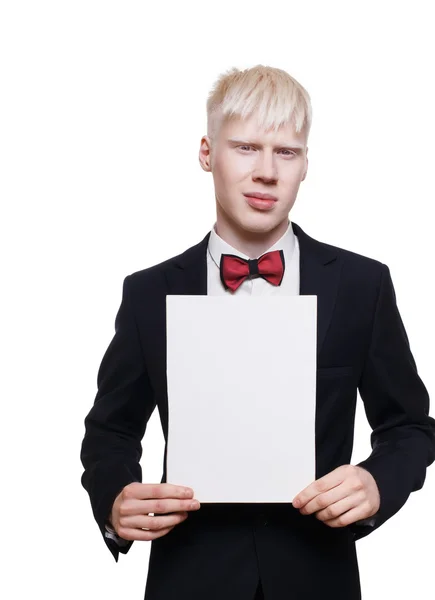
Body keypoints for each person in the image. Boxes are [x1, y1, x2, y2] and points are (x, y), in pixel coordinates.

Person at [80, 65, 435, 600]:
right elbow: (111, 430)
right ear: (207, 153)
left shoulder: (364, 285)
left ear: (306, 164)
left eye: (286, 152)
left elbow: (410, 426)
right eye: (245, 147)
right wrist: (114, 497)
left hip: (319, 579)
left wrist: (377, 481)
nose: (267, 171)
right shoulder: (149, 293)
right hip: (189, 580)